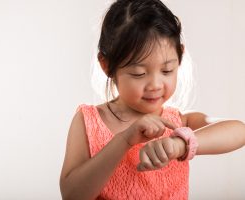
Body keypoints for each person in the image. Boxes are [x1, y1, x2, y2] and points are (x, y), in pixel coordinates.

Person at [59, 0, 245, 199]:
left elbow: (238, 130)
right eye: (139, 73)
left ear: (180, 56)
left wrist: (180, 144)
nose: (155, 84)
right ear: (106, 65)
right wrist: (124, 140)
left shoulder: (179, 123)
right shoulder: (89, 121)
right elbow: (72, 195)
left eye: (167, 70)